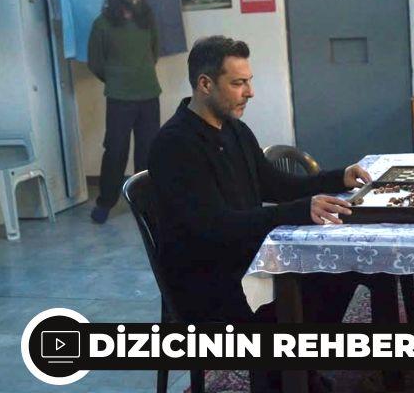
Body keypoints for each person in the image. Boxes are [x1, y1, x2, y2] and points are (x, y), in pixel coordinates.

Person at [148, 36, 372, 391]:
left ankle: (293, 373)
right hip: (207, 279)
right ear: (205, 84)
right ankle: (288, 375)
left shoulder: (234, 129)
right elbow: (213, 225)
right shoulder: (175, 144)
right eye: (238, 83)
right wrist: (297, 211)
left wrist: (337, 177)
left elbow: (276, 185)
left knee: (340, 268)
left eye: (249, 81)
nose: (249, 92)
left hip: (242, 256)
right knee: (315, 284)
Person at [88, 0, 161, 224]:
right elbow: (96, 63)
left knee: (148, 151)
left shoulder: (147, 20)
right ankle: (105, 202)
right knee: (116, 150)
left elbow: (154, 52)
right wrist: (118, 80)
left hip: (149, 94)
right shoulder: (102, 24)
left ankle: (145, 202)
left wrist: (139, 74)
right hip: (119, 97)